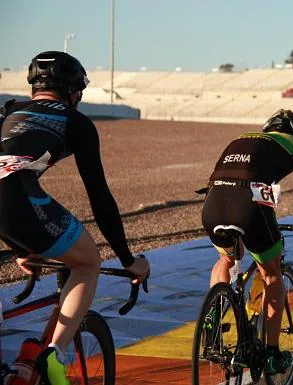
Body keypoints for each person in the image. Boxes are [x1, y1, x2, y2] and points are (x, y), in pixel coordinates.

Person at [0, 51, 150, 385]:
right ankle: (55, 354)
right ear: (73, 92)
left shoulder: (9, 110)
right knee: (86, 262)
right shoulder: (74, 120)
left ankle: (24, 369)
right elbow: (99, 197)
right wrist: (128, 260)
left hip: (9, 206)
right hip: (15, 199)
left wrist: (22, 249)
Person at [202, 109, 293, 374]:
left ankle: (212, 319)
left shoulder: (242, 138)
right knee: (272, 274)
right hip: (247, 203)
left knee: (227, 258)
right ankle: (271, 353)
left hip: (213, 203)